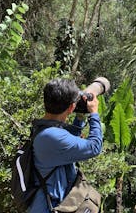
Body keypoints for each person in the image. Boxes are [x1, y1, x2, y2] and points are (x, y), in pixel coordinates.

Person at [28, 78, 103, 213]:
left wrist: (80, 116)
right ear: (71, 107)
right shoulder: (52, 136)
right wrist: (94, 113)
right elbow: (94, 147)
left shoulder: (46, 129)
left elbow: (68, 144)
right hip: (47, 208)